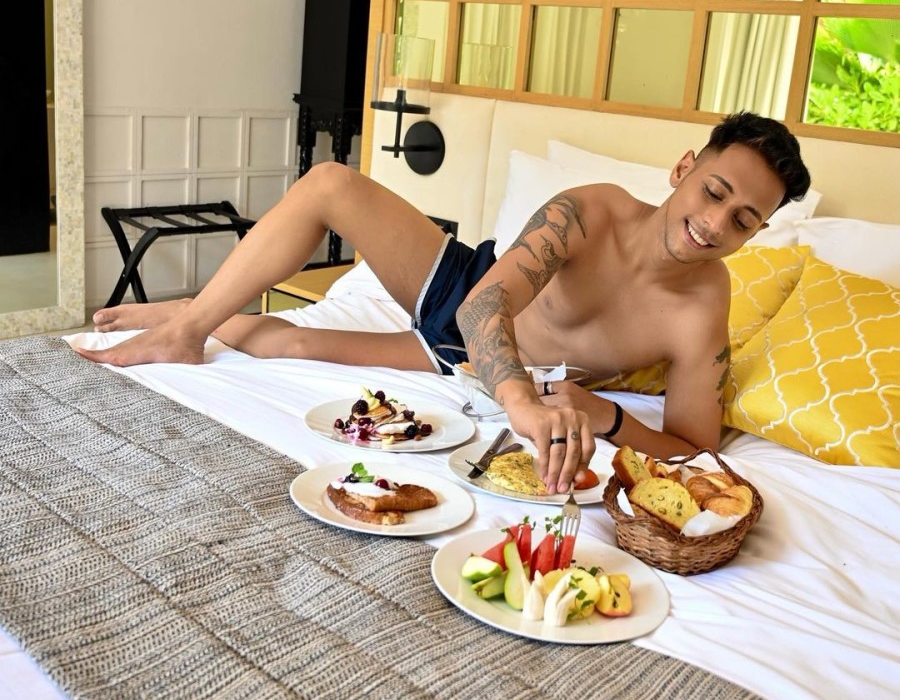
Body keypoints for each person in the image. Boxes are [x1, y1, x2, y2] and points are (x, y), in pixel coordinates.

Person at [76, 111, 810, 494]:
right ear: (686, 168)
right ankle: (187, 326)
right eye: (714, 191)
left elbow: (693, 448)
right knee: (331, 181)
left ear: (760, 230)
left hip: (467, 364)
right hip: (467, 298)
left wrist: (605, 415)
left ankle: (175, 312)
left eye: (745, 218)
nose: (716, 222)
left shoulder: (704, 301)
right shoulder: (593, 210)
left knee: (287, 342)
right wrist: (524, 403)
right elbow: (482, 306)